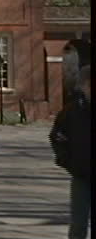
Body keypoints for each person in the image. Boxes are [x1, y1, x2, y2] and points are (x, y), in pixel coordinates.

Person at [50, 65, 91, 239]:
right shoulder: (72, 111)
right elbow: (57, 135)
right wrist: (67, 161)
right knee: (78, 225)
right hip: (82, 176)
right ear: (84, 86)